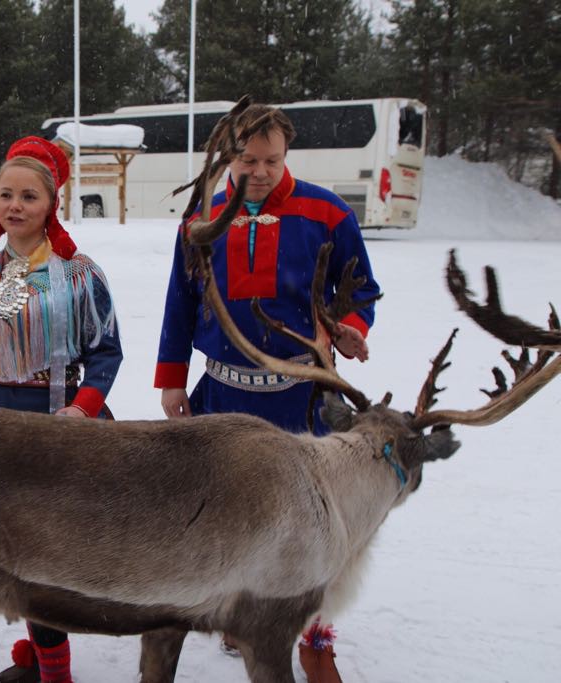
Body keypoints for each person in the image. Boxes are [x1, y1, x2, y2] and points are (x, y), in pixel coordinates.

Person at [154, 104, 381, 683]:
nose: (259, 171)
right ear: (228, 156)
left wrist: (352, 326)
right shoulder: (202, 218)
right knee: (225, 513)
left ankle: (315, 633)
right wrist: (172, 378)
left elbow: (362, 287)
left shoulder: (325, 212)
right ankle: (240, 612)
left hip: (300, 397)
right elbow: (180, 301)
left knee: (315, 522)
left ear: (288, 155)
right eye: (247, 160)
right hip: (223, 395)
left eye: (272, 160)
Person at [0, 136, 123, 683]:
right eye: (4, 194)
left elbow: (106, 351)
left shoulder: (80, 275)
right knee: (10, 557)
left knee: (44, 563)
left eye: (28, 196)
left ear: (51, 204)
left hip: (55, 434)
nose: (14, 206)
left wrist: (84, 408)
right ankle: (43, 656)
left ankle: (54, 671)